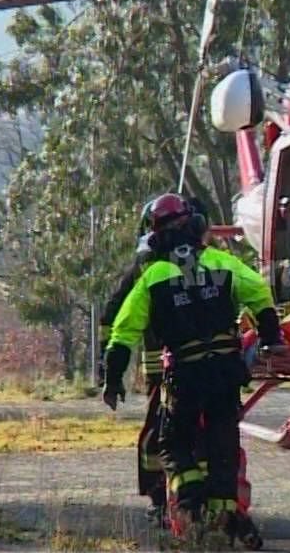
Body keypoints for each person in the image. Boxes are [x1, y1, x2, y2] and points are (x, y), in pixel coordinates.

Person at [103, 193, 282, 545]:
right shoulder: (223, 262)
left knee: (172, 442)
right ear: (198, 227)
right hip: (226, 372)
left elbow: (124, 330)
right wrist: (270, 336)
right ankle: (225, 516)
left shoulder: (153, 275)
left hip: (185, 375)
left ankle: (191, 497)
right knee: (223, 444)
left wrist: (113, 379)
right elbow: (260, 292)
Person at [99, 198, 166, 522]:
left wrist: (109, 371)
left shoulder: (145, 268)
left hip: (163, 369)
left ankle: (161, 498)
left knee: (159, 432)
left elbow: (114, 316)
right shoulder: (211, 262)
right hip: (209, 366)